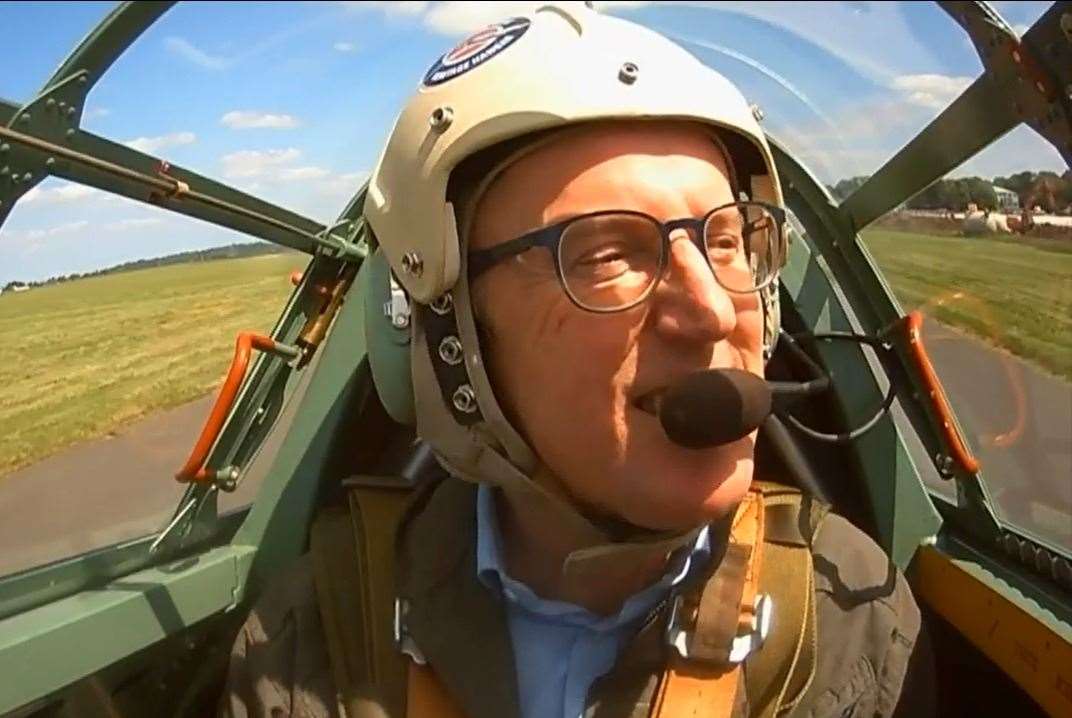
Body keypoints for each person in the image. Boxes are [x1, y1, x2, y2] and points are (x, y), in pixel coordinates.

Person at [222, 4, 933, 717]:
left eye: (725, 241)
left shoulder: (850, 613)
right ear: (448, 341)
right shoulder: (310, 646)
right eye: (605, 254)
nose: (714, 311)